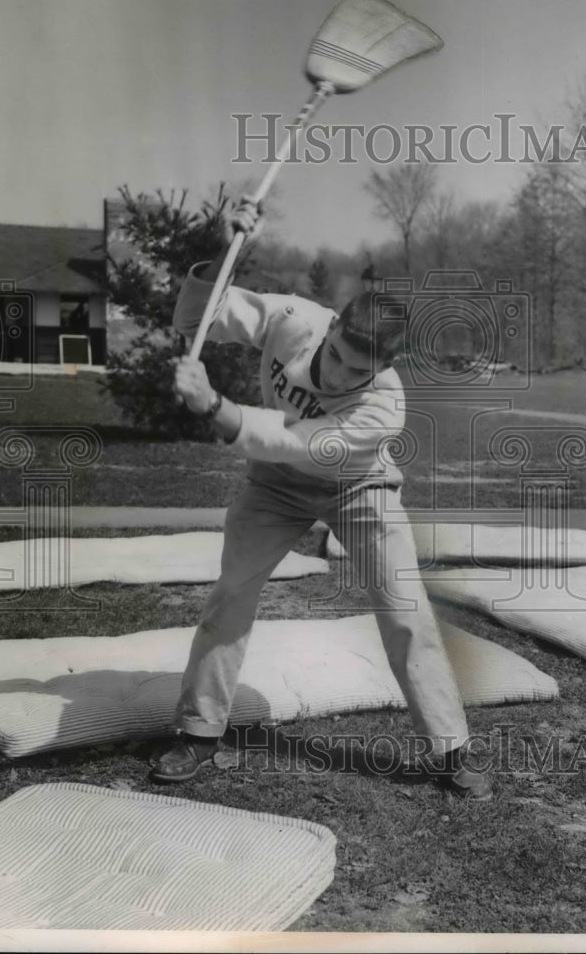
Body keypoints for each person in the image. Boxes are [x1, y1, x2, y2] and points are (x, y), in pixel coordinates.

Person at [151, 199, 491, 800]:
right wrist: (216, 246)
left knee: (405, 608)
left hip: (360, 487)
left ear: (384, 368)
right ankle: (198, 730)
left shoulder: (385, 406)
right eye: (335, 355)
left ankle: (450, 748)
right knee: (233, 588)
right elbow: (200, 315)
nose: (336, 376)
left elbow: (293, 439)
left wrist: (213, 407)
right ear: (330, 326)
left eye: (356, 372)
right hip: (275, 484)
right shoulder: (294, 317)